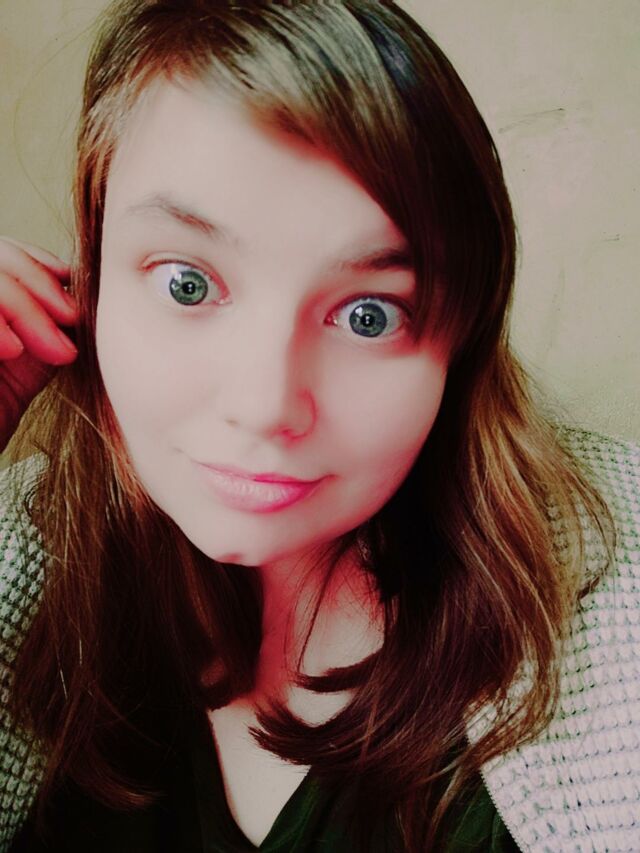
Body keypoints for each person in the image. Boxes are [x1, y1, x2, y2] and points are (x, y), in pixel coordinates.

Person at [0, 1, 638, 850]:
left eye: (369, 315)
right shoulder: (27, 551)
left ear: (460, 340)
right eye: (187, 283)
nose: (267, 404)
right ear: (91, 276)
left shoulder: (614, 602)